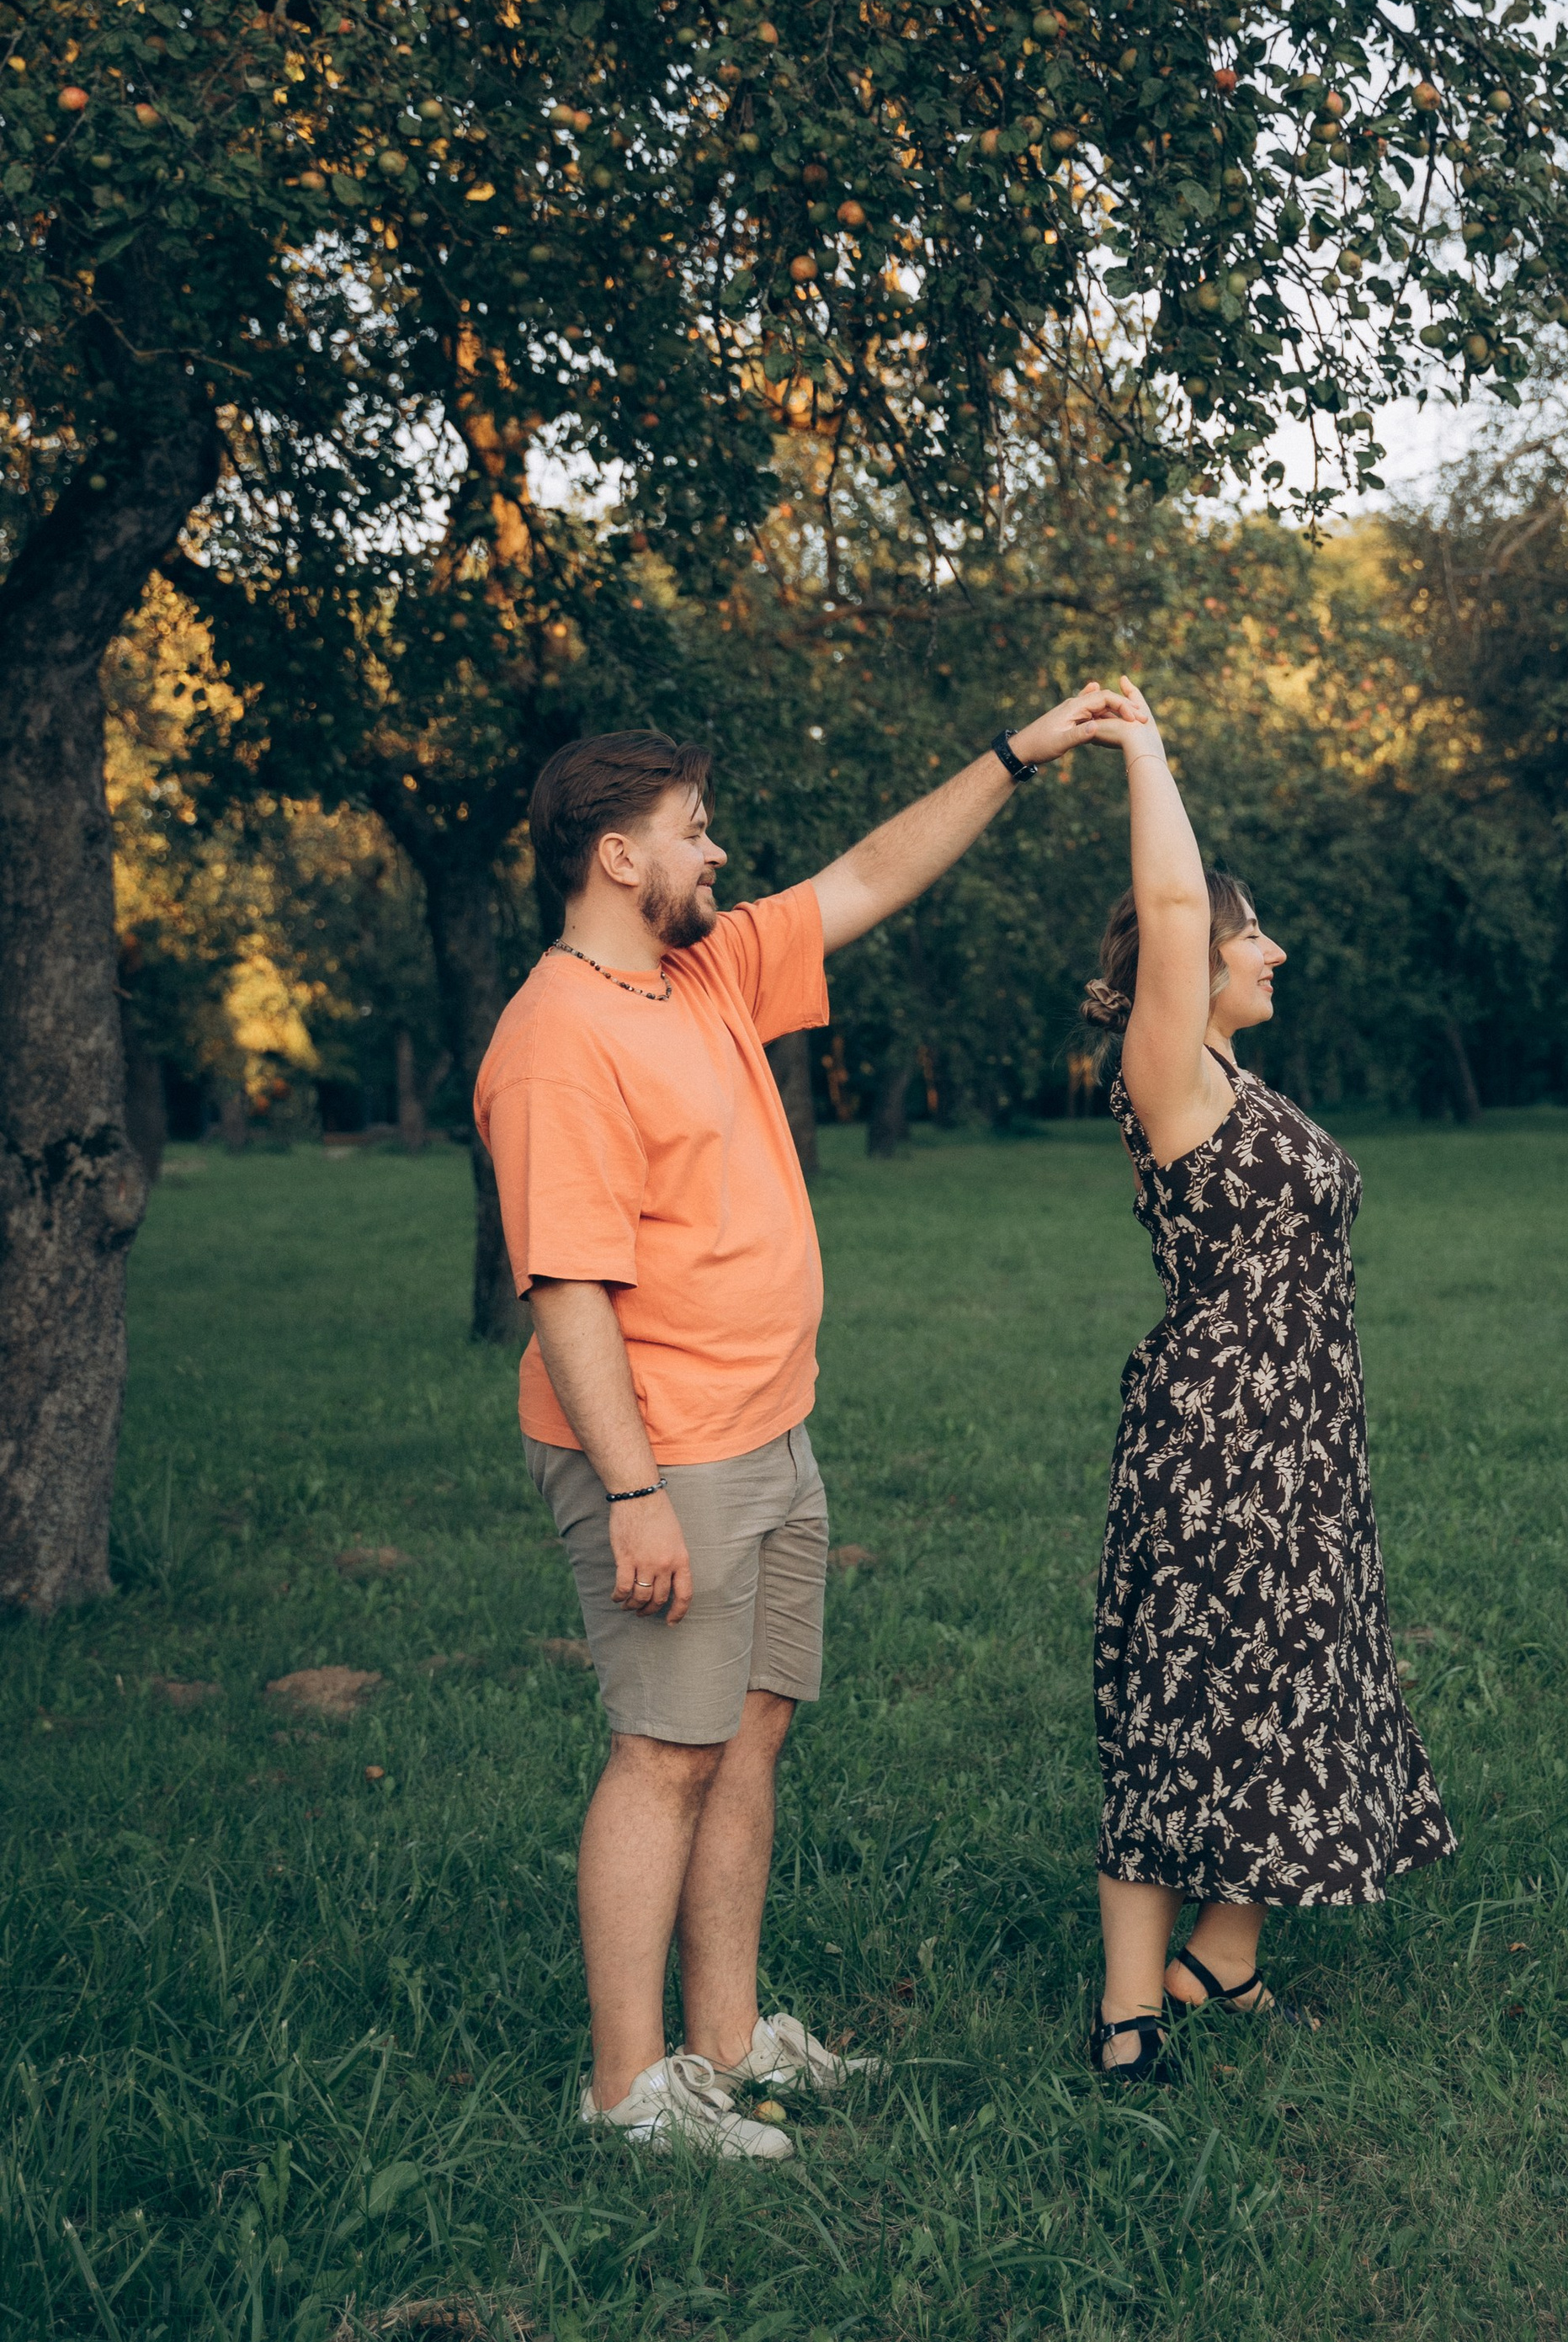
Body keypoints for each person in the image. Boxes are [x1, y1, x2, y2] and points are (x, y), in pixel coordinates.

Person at [476, 699, 1131, 2160]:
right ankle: (629, 2093)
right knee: (665, 1747)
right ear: (615, 854)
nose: (719, 849)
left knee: (749, 1731)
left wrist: (1022, 755)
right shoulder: (556, 1038)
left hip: (770, 1428)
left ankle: (729, 2040)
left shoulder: (698, 971)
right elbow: (570, 1292)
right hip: (667, 1452)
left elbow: (872, 876)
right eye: (693, 830)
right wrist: (636, 1490)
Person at [1082, 679, 1455, 2078]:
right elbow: (1174, 913)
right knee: (1182, 1703)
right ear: (1198, 961)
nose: (1273, 949)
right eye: (1254, 934)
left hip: (1304, 1441)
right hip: (1217, 1440)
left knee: (1296, 1686)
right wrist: (1148, 752)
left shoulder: (1247, 1089)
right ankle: (1127, 2017)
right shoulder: (1165, 1076)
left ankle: (1217, 1959)